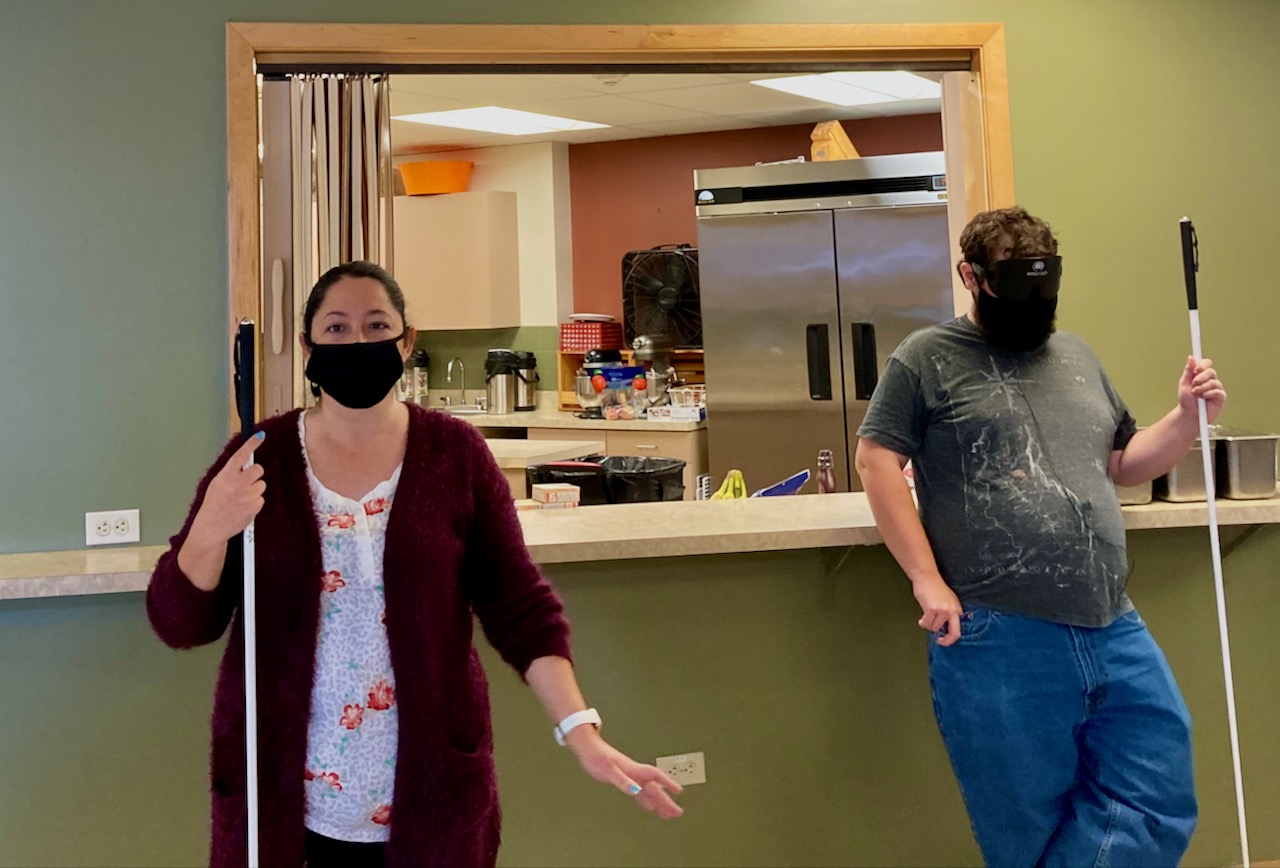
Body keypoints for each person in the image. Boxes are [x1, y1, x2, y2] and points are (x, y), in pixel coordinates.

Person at [147, 261, 683, 868]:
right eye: (338, 328)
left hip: (432, 803)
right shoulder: (256, 463)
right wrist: (213, 525)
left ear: (406, 341)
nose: (358, 343)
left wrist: (581, 733)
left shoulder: (456, 455)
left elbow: (519, 605)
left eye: (377, 326)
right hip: (283, 809)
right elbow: (179, 622)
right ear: (307, 346)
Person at [854, 207, 1225, 867]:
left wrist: (1187, 417)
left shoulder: (1076, 356)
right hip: (999, 632)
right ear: (971, 276)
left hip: (1113, 620)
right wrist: (925, 577)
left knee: (1158, 798)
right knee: (1024, 829)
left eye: (1043, 283)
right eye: (1012, 284)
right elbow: (877, 460)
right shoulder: (925, 358)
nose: (1033, 302)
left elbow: (1122, 463)